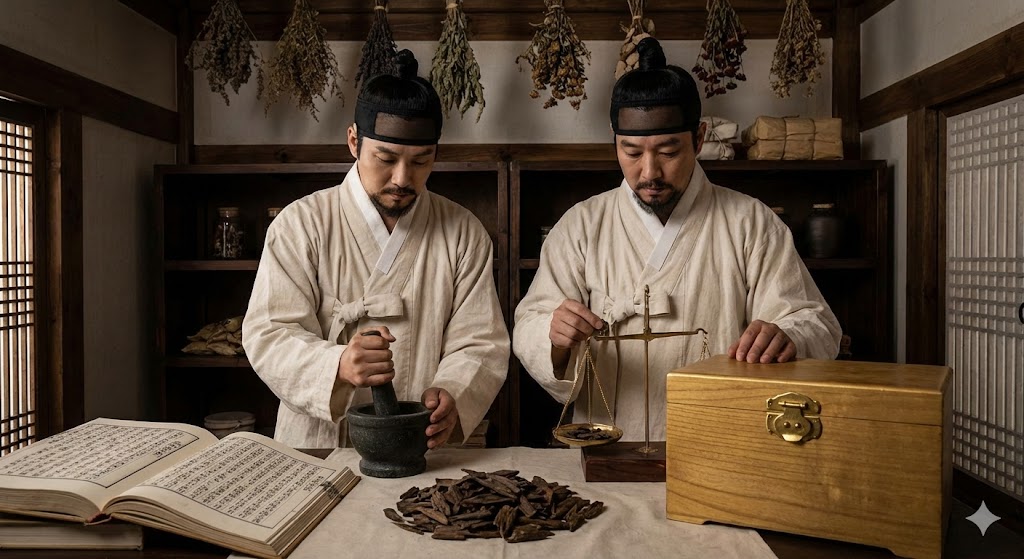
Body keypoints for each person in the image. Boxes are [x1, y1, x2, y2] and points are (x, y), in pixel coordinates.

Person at [512, 38, 841, 442]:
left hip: (724, 444)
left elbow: (818, 324)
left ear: (699, 139)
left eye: (668, 151)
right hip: (608, 446)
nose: (649, 172)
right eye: (631, 152)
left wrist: (788, 335)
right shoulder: (582, 225)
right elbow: (530, 322)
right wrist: (555, 335)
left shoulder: (750, 222)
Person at [243, 50, 509, 449]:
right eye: (385, 158)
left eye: (421, 161)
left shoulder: (462, 232)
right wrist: (336, 365)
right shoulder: (301, 224)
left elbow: (480, 341)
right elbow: (268, 334)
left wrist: (454, 391)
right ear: (354, 141)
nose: (403, 178)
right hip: (319, 444)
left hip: (421, 440)